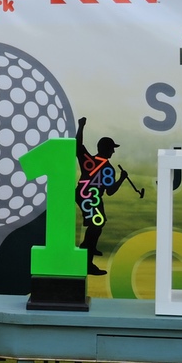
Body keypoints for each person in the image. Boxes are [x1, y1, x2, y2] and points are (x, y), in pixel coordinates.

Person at [75, 116, 125, 276]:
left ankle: (89, 246)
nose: (113, 151)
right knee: (96, 225)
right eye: (112, 148)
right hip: (90, 197)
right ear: (106, 149)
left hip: (83, 194)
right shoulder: (108, 168)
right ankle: (87, 258)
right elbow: (110, 191)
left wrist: (81, 126)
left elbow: (78, 146)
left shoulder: (89, 160)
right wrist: (122, 179)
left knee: (98, 223)